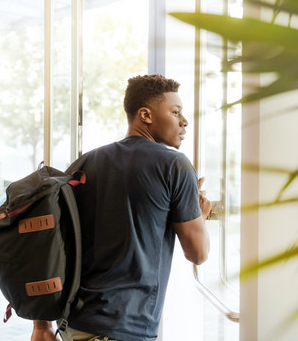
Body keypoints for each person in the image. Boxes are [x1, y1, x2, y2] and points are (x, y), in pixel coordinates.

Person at [31, 74, 211, 341]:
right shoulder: (175, 166)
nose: (184, 121)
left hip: (74, 324)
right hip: (124, 328)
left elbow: (51, 242)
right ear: (145, 115)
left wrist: (41, 326)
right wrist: (200, 216)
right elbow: (198, 253)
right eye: (175, 112)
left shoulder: (85, 163)